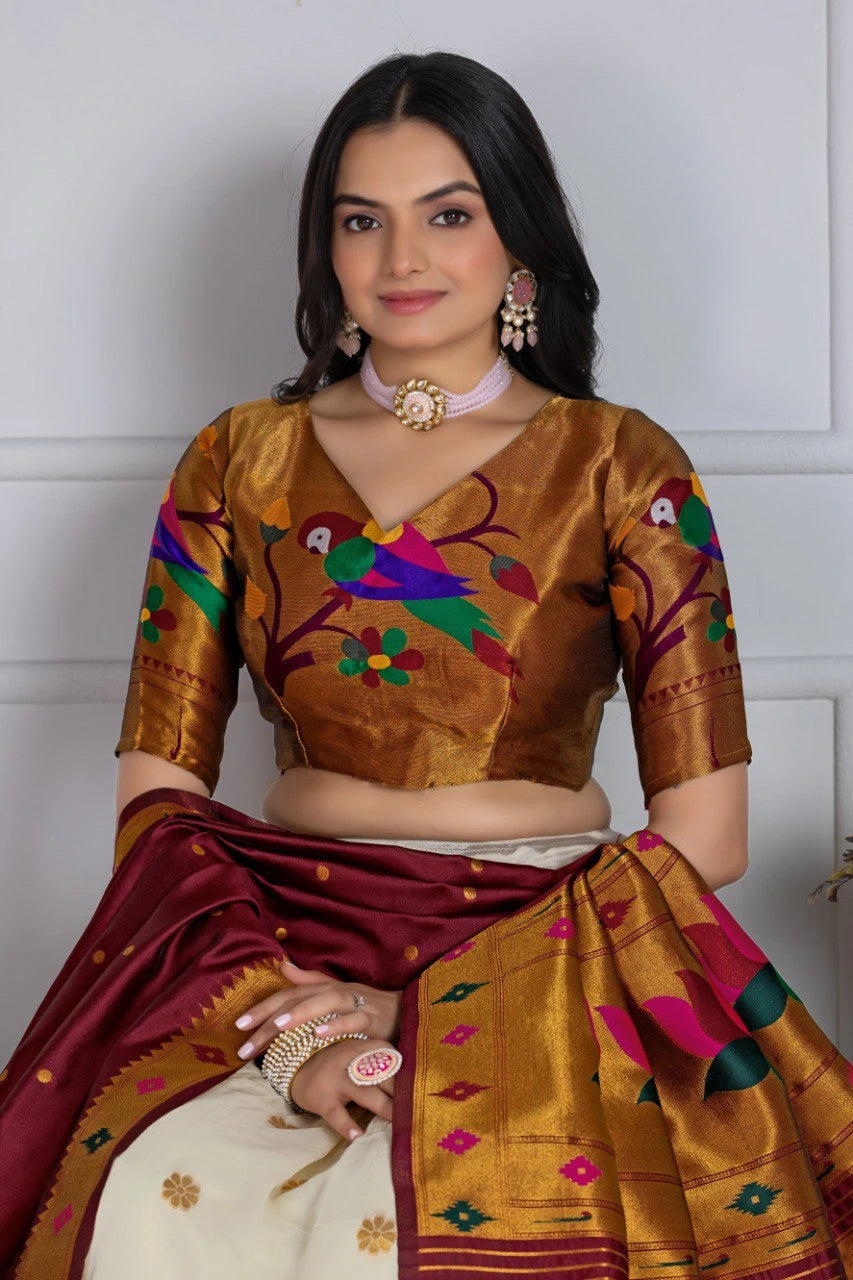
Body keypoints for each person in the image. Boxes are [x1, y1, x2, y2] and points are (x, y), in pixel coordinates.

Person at [1, 48, 850, 1280]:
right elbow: (159, 800)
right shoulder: (238, 461)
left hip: (550, 942)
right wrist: (287, 1023)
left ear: (519, 244)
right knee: (152, 1190)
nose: (401, 260)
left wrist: (424, 1016)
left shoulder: (620, 465)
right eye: (363, 220)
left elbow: (705, 833)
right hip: (277, 943)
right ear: (327, 251)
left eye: (447, 214)